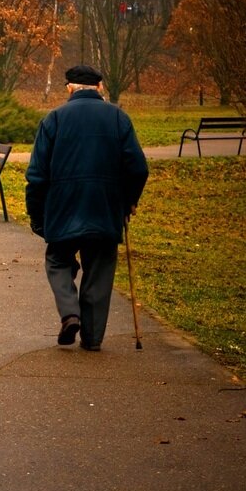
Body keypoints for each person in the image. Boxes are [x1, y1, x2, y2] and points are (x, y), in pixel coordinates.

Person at [24, 64, 148, 351]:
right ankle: (92, 339)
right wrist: (128, 201)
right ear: (100, 87)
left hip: (62, 207)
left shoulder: (54, 119)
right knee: (100, 269)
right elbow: (138, 168)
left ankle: (70, 313)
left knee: (57, 261)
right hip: (105, 207)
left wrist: (36, 214)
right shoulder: (118, 118)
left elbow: (36, 175)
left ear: (69, 88)